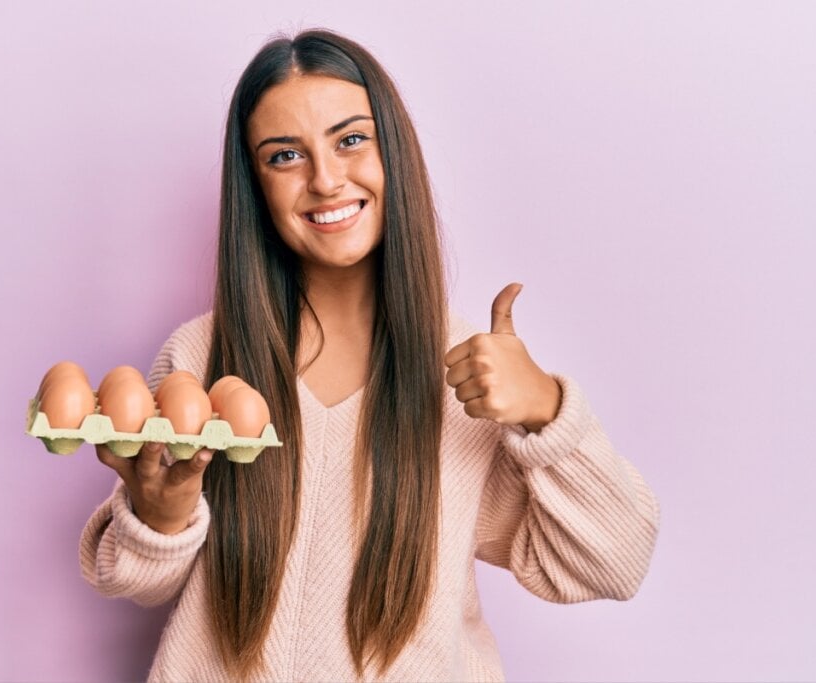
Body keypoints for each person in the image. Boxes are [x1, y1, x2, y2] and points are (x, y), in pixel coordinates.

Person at [80, 28, 659, 683]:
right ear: (256, 188)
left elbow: (614, 560)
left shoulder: (468, 380)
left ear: (395, 151)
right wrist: (161, 510)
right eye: (284, 156)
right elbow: (132, 578)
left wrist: (547, 412)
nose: (326, 180)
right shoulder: (202, 355)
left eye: (351, 139)